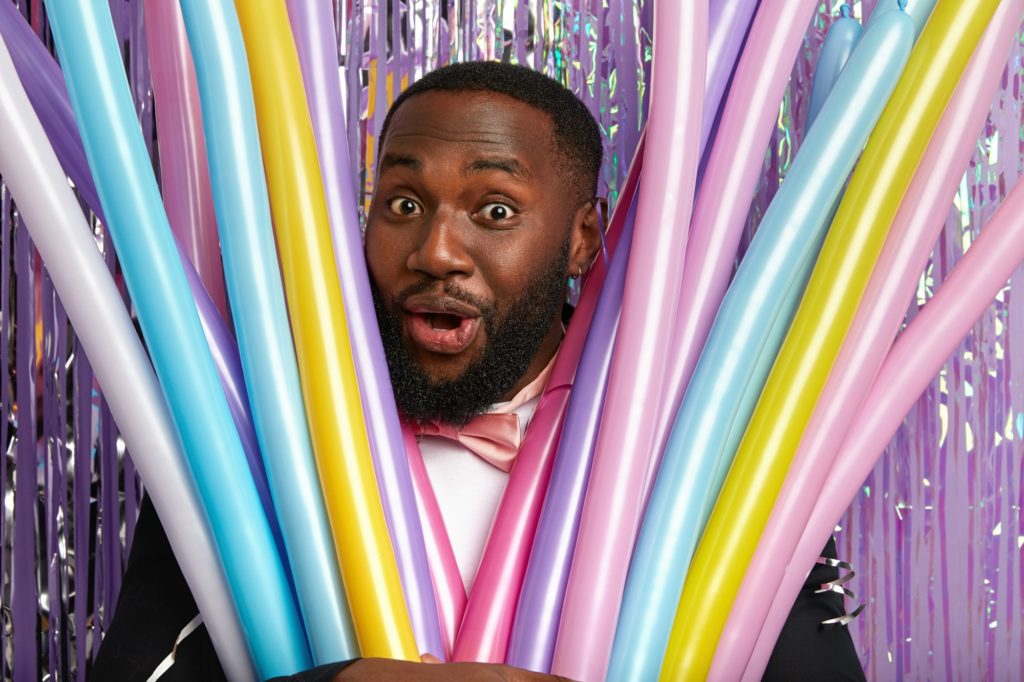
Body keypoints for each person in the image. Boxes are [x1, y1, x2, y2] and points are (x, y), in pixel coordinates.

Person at [91, 61, 865, 681]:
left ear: (580, 240)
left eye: (495, 210)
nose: (434, 251)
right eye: (401, 204)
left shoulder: (708, 442)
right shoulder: (256, 433)